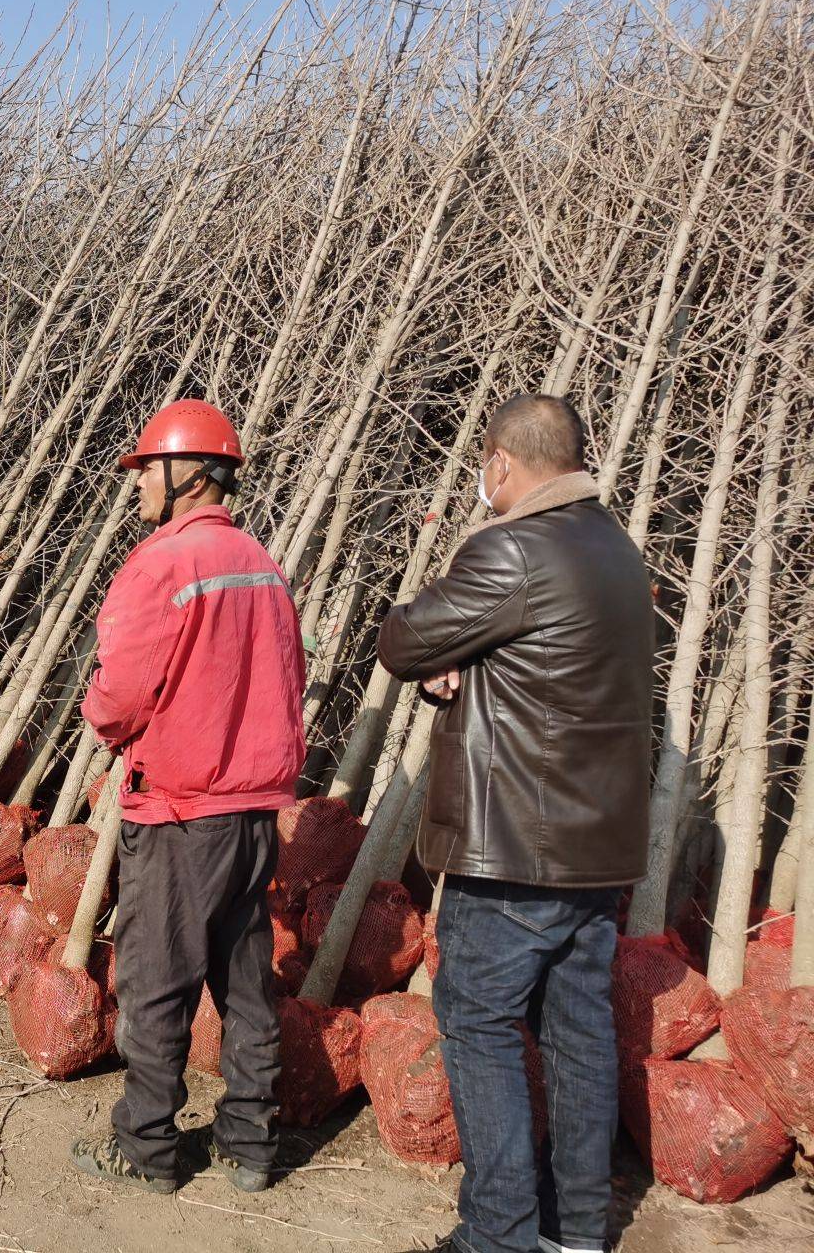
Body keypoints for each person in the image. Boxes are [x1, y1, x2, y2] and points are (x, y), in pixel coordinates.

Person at [377, 394, 654, 1253]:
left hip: (514, 854)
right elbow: (545, 670)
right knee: (579, 1035)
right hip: (596, 851)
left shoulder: (509, 551)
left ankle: (495, 1234)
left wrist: (440, 657)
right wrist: (460, 667)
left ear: (500, 460)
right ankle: (575, 1234)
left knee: (480, 1025)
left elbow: (403, 638)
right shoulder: (618, 552)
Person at [70, 398, 307, 1195]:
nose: (137, 486)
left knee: (154, 983)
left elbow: (119, 696)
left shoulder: (162, 565)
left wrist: (97, 709)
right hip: (251, 817)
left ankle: (146, 1149)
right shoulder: (262, 565)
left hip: (178, 815)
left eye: (145, 471)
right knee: (247, 986)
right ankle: (250, 1146)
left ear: (187, 473)